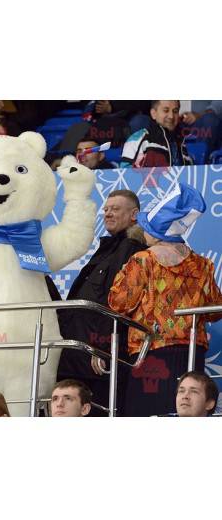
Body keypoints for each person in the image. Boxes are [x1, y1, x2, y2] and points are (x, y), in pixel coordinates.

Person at [109, 183, 222, 417]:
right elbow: (214, 310)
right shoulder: (202, 265)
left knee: (146, 420)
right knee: (187, 415)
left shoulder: (142, 260)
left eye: (147, 226)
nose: (143, 230)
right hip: (190, 349)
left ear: (158, 230)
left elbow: (118, 303)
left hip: (150, 351)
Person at [57, 190, 146, 415]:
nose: (107, 213)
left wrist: (102, 350)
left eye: (115, 209)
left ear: (134, 214)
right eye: (106, 209)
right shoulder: (107, 247)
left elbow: (118, 306)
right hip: (76, 355)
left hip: (98, 362)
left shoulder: (131, 249)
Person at [121, 100, 193, 168]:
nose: (171, 116)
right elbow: (126, 177)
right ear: (153, 113)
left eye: (175, 111)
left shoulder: (181, 141)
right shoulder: (136, 140)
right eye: (166, 110)